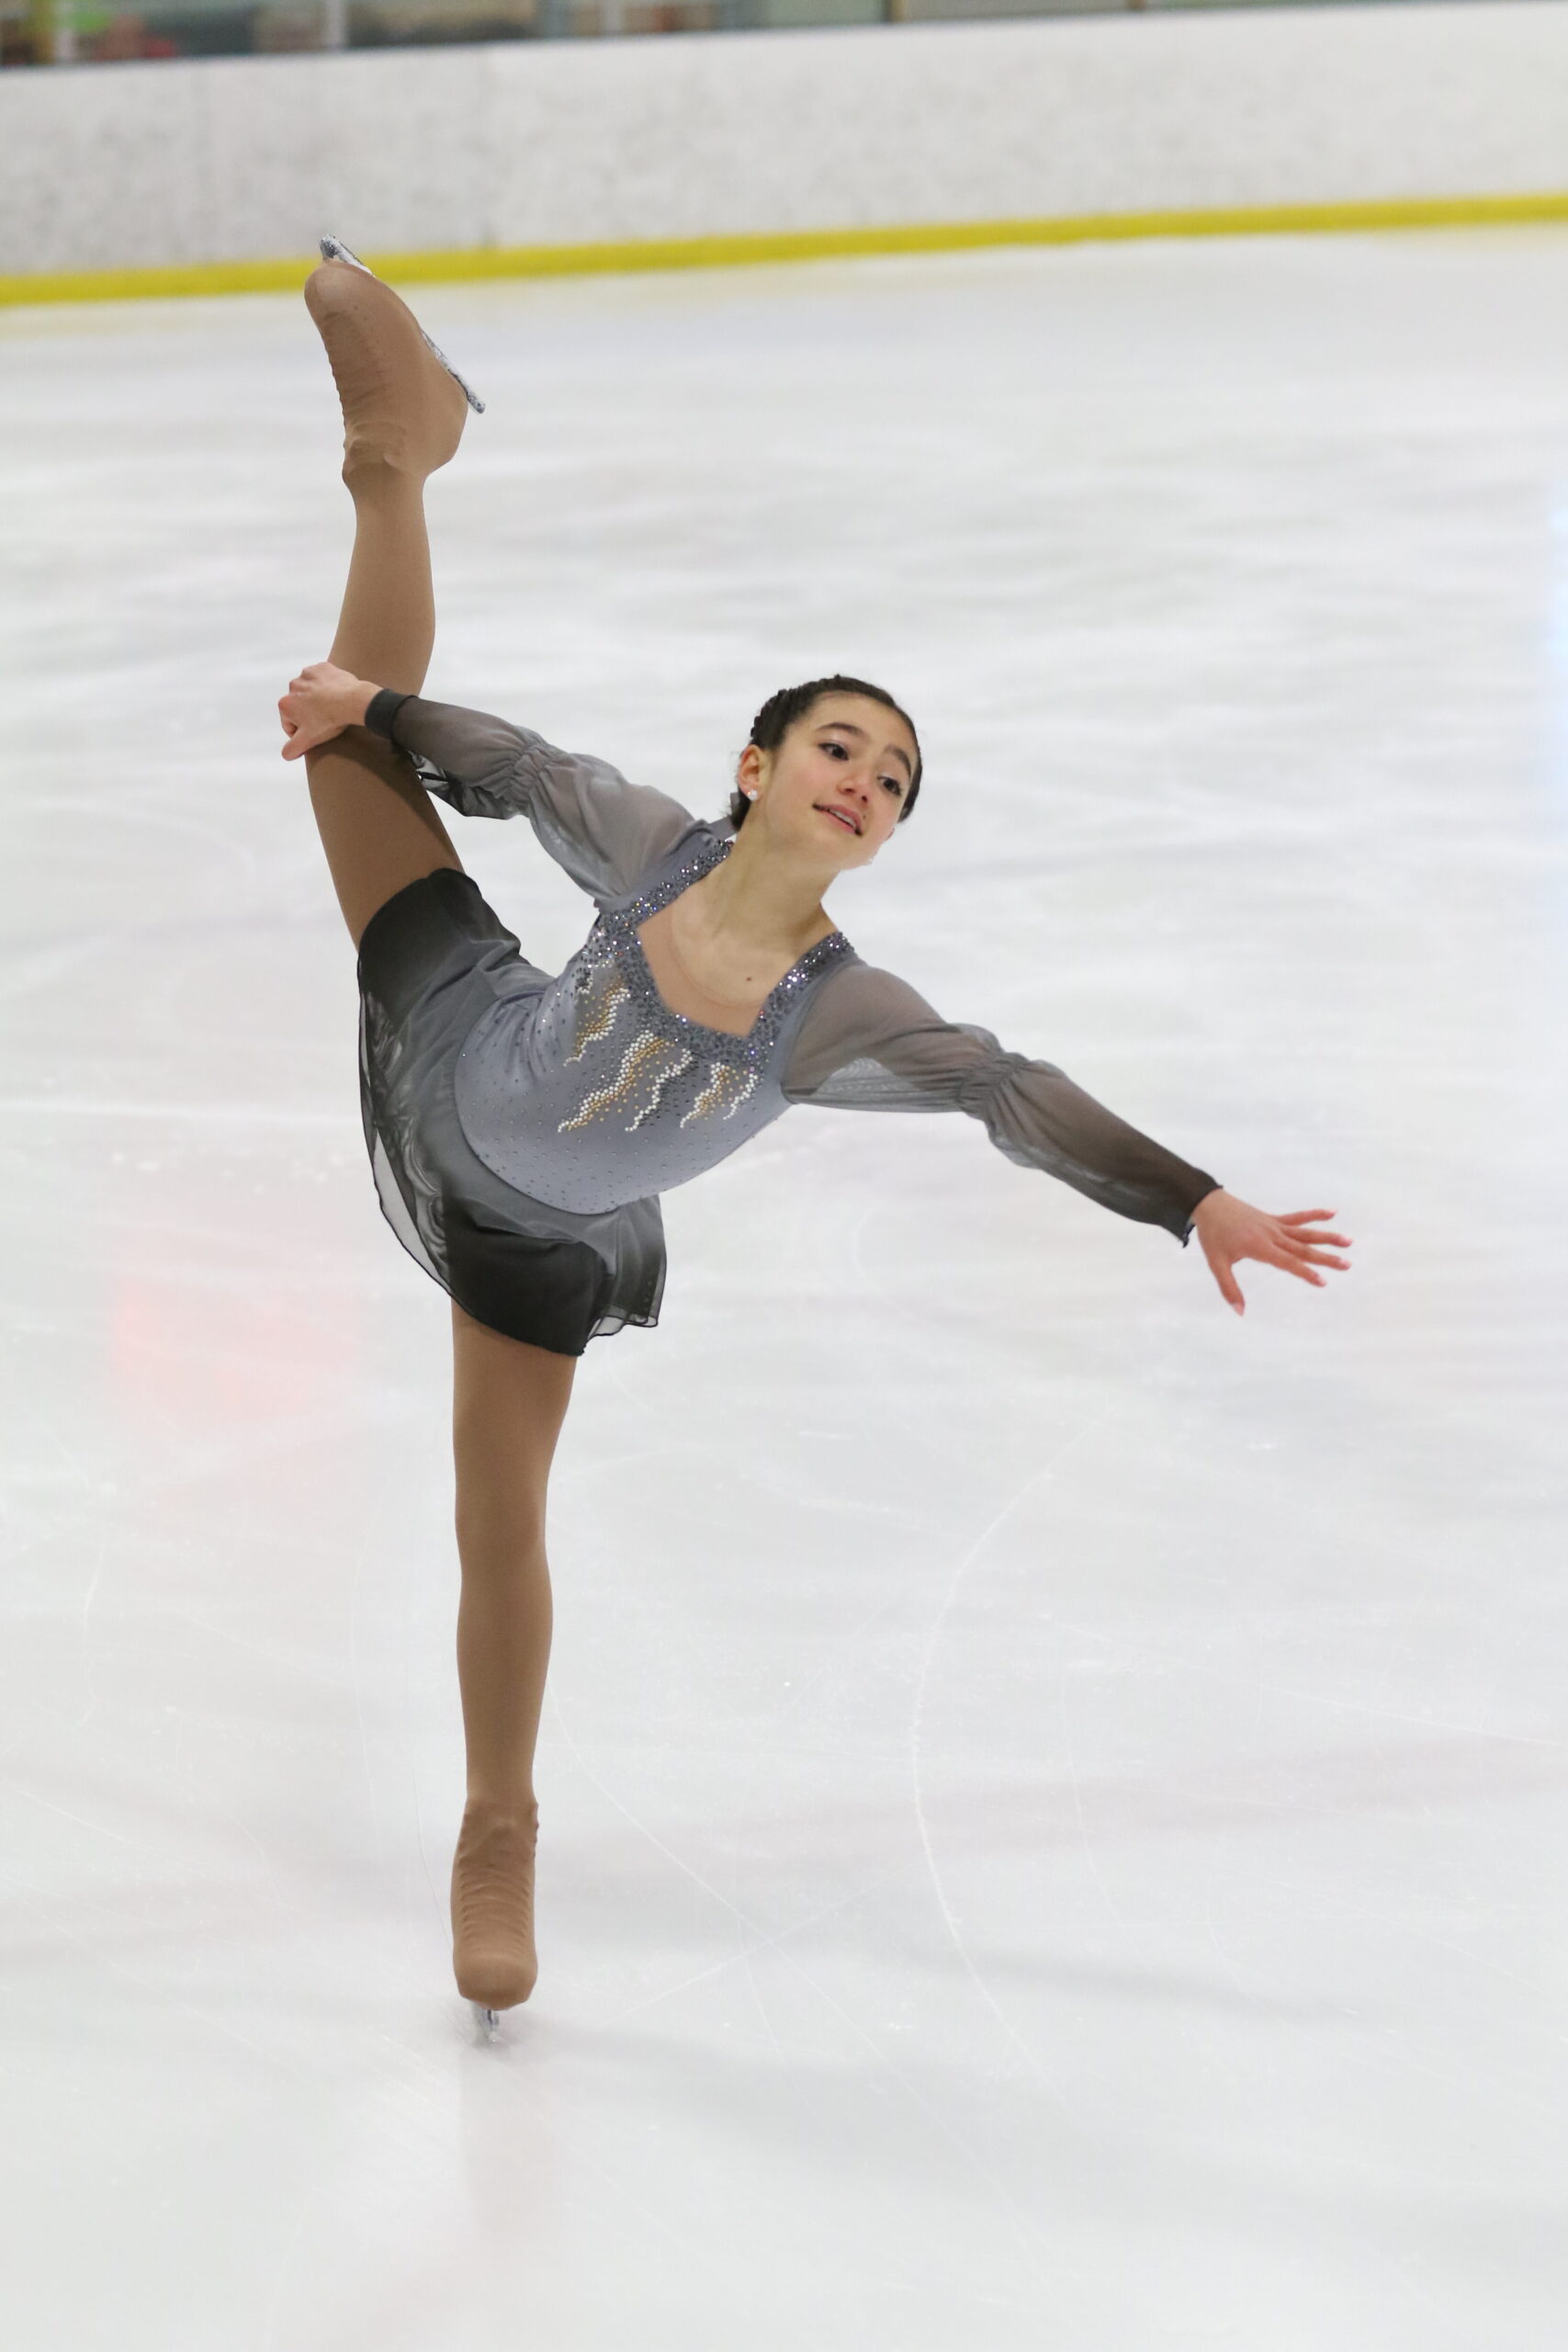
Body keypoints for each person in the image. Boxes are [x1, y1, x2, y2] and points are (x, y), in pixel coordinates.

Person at [281, 241, 1353, 2033]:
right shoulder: (650, 845)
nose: (863, 777)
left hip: (523, 1232)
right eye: (838, 744)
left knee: (496, 1522)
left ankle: (496, 1819)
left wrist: (1191, 1202)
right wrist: (375, 713)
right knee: (340, 739)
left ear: (877, 833)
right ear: (757, 766)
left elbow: (1016, 1095)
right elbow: (520, 766)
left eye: (893, 778)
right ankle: (398, 454)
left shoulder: (838, 1011)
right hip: (454, 1027)